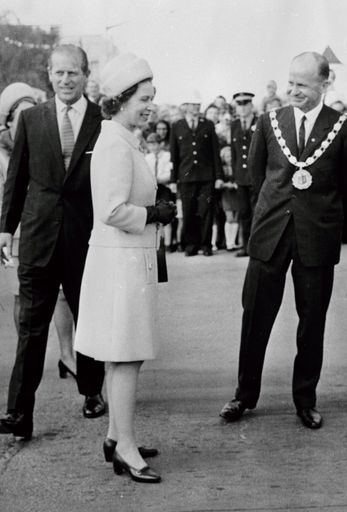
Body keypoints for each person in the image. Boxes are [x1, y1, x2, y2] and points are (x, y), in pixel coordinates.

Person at [220, 51, 347, 429]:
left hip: (316, 236)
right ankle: (243, 395)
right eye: (291, 83)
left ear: (324, 84)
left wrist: (318, 214)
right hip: (270, 233)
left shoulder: (345, 128)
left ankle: (305, 399)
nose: (293, 90)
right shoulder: (270, 122)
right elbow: (258, 180)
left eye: (302, 84)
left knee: (312, 320)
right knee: (255, 316)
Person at [74, 53, 176, 483]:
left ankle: (117, 436)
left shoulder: (121, 138)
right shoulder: (115, 143)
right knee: (127, 356)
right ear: (120, 100)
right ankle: (127, 449)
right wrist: (155, 213)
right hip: (119, 264)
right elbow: (112, 210)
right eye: (143, 99)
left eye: (152, 98)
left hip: (124, 261)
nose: (150, 105)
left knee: (121, 357)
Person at [0, 44, 105, 441]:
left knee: (88, 320)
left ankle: (91, 392)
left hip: (86, 239)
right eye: (59, 73)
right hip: (39, 237)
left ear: (85, 75)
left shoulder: (101, 119)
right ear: (49, 74)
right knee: (30, 327)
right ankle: (18, 413)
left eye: (73, 73)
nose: (65, 80)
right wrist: (6, 228)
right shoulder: (31, 119)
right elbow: (17, 179)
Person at [0, 82, 77, 378]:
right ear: (9, 120)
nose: (28, 121)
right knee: (22, 298)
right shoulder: (3, 153)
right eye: (21, 116)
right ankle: (26, 357)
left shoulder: (46, 140)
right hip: (15, 233)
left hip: (45, 227)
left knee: (60, 293)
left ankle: (67, 355)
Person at [170, 94, 224, 256]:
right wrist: (173, 179)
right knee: (188, 211)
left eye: (198, 105)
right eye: (193, 104)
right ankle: (191, 245)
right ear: (185, 105)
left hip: (206, 177)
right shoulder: (177, 126)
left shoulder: (207, 125)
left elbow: (215, 153)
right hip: (186, 177)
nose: (196, 108)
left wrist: (219, 176)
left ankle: (206, 245)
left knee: (206, 211)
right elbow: (174, 155)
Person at [230, 91, 258, 257]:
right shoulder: (234, 125)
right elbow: (234, 152)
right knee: (244, 212)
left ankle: (256, 246)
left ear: (251, 105)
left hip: (256, 176)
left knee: (257, 212)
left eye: (245, 104)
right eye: (239, 104)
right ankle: (245, 245)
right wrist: (235, 175)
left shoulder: (259, 122)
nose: (242, 108)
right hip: (241, 177)